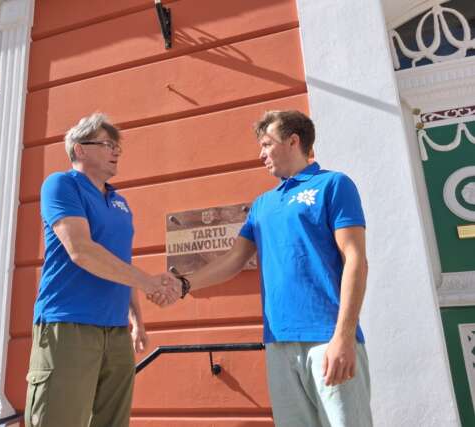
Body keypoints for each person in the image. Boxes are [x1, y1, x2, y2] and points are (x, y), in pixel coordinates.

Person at [151, 110, 373, 427]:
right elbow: (234, 259)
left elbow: (356, 259)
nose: (261, 154)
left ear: (293, 141)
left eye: (267, 144)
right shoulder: (262, 205)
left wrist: (344, 337)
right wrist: (183, 284)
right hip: (278, 343)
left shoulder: (333, 184)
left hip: (328, 337)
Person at [25, 113, 180, 427]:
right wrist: (149, 283)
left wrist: (136, 320)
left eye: (118, 146)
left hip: (116, 330)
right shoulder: (61, 184)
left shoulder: (120, 202)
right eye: (108, 144)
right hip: (68, 324)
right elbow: (81, 250)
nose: (116, 151)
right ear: (80, 149)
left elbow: (121, 264)